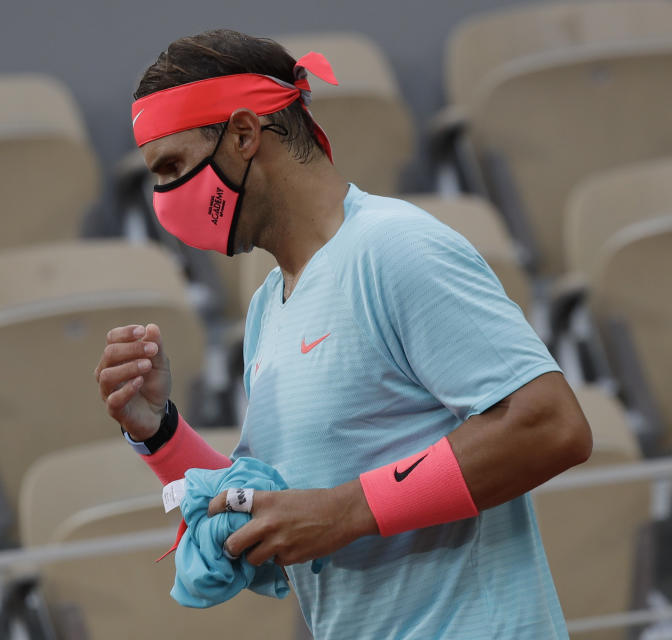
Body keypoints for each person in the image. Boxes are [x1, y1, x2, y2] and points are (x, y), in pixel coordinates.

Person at [94, 29, 593, 639]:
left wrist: (345, 512)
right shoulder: (266, 309)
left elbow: (550, 426)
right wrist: (160, 432)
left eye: (172, 167)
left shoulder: (395, 248)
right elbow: (273, 516)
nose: (164, 199)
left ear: (245, 135)